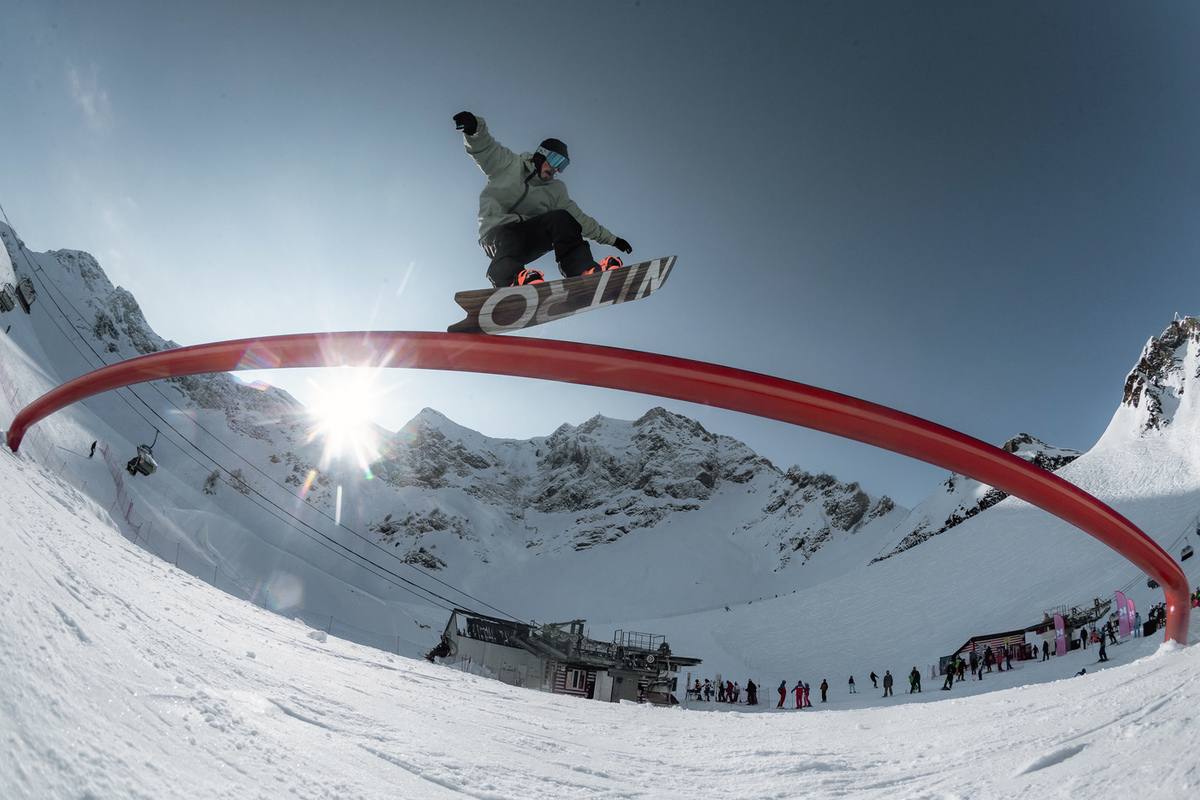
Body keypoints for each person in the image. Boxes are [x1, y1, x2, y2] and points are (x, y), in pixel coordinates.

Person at [454, 111, 632, 288]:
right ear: (541, 155)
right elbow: (486, 149)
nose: (556, 169)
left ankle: (582, 271)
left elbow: (581, 220)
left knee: (561, 218)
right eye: (555, 160)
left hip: (528, 236)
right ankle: (510, 279)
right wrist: (474, 129)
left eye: (561, 166)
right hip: (496, 235)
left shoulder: (555, 190)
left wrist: (613, 240)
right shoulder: (509, 164)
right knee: (509, 235)